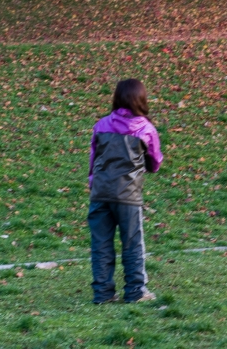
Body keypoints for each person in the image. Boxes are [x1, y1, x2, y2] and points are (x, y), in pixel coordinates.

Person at [88, 78, 163, 304]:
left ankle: (103, 293)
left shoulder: (100, 125)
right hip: (128, 195)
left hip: (100, 192)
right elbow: (155, 162)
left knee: (101, 244)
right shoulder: (145, 129)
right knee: (132, 244)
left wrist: (94, 181)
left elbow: (93, 159)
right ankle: (136, 291)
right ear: (141, 99)